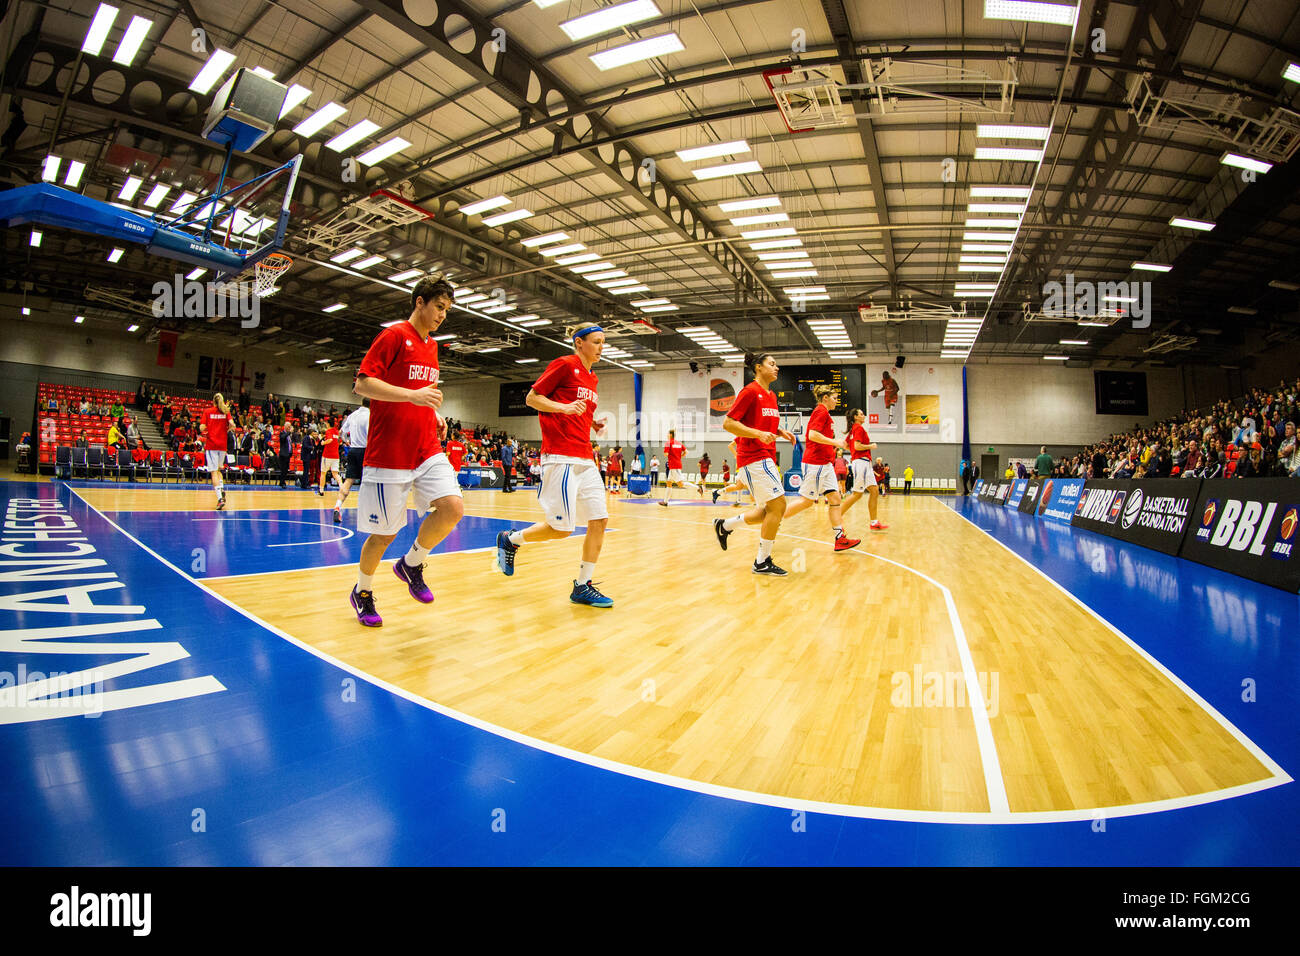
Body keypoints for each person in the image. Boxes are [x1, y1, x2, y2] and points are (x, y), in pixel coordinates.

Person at [348, 277, 465, 627]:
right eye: (438, 307)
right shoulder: (394, 335)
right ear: (419, 302)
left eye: (447, 310)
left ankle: (412, 562)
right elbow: (362, 384)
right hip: (390, 450)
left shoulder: (433, 346)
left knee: (452, 508)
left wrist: (432, 412)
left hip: (425, 444)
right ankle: (362, 591)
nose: (443, 315)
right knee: (384, 534)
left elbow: (419, 391)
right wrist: (413, 396)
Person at [493, 324, 613, 608]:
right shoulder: (564, 365)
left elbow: (579, 408)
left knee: (599, 521)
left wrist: (592, 423)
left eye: (603, 343)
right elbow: (532, 398)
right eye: (596, 342)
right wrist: (564, 408)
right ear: (579, 343)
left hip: (585, 456)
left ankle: (583, 585)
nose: (601, 347)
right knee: (562, 529)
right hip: (561, 457)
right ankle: (511, 539)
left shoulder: (592, 378)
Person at [713, 352, 797, 575]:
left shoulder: (771, 395)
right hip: (752, 456)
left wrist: (779, 431)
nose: (776, 367)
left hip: (767, 455)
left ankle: (725, 525)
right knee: (778, 506)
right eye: (772, 363)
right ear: (758, 367)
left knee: (771, 510)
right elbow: (728, 423)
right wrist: (758, 434)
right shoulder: (749, 392)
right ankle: (762, 561)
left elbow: (763, 423)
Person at [775, 385, 860, 552]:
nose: (837, 401)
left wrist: (834, 446)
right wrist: (835, 442)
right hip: (816, 463)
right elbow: (813, 435)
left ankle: (840, 538)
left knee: (835, 499)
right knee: (806, 502)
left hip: (825, 464)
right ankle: (773, 518)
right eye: (835, 398)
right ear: (825, 398)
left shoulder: (825, 413)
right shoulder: (820, 411)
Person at [840, 408, 887, 530]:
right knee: (857, 494)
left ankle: (874, 522)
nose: (864, 415)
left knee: (875, 490)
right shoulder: (858, 428)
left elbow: (846, 445)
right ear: (855, 417)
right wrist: (871, 446)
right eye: (861, 414)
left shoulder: (852, 431)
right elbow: (857, 446)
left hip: (863, 462)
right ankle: (837, 515)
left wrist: (855, 453)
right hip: (861, 462)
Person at [334, 400, 370, 524]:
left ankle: (337, 506)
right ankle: (367, 512)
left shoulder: (352, 415)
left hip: (353, 450)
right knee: (367, 482)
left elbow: (341, 433)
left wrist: (347, 442)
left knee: (348, 481)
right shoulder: (370, 415)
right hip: (365, 451)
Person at [200, 393, 232, 510]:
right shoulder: (225, 411)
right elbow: (233, 425)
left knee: (213, 472)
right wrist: (227, 430)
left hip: (212, 444)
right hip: (222, 445)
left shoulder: (208, 411)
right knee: (218, 470)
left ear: (213, 401)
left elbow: (201, 428)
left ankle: (220, 498)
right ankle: (222, 488)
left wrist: (208, 426)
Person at [658, 429, 702, 506]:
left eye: (668, 434)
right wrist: (679, 456)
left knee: (681, 484)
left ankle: (697, 487)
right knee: (669, 483)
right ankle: (665, 502)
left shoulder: (668, 443)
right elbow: (686, 452)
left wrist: (672, 455)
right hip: (676, 464)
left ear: (671, 435)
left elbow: (665, 454)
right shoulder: (679, 443)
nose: (667, 435)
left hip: (673, 466)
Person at [318, 420, 342, 498]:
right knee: (335, 474)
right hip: (336, 456)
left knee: (323, 473)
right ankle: (342, 487)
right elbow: (340, 442)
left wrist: (323, 443)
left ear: (328, 424)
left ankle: (321, 491)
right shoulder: (337, 431)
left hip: (327, 456)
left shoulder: (329, 431)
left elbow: (330, 440)